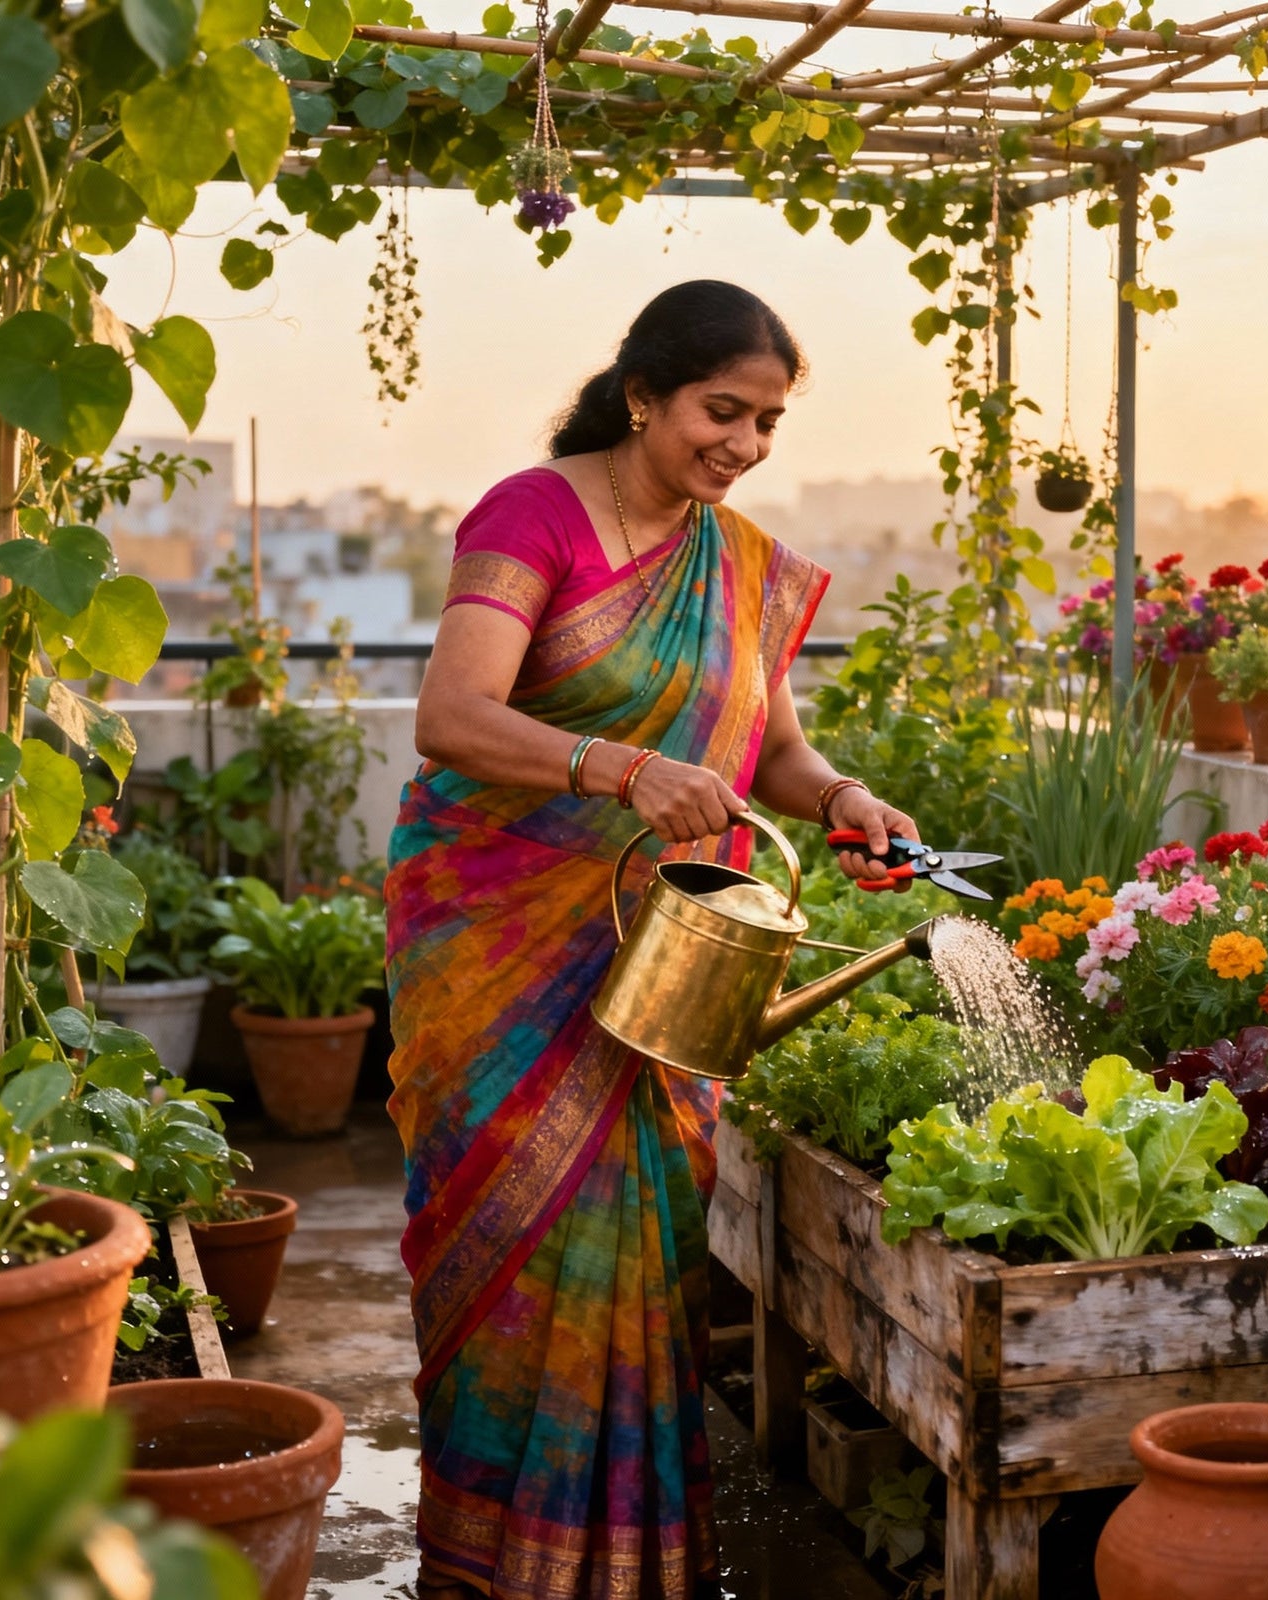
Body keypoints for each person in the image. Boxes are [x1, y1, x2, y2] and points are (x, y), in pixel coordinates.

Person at [385, 280, 920, 1600]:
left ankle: (618, 1561)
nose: (742, 446)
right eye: (720, 412)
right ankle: (496, 1566)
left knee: (643, 1251)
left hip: (666, 960)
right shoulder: (536, 513)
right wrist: (615, 768)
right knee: (515, 1249)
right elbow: (454, 714)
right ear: (644, 395)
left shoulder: (737, 564)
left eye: (768, 424)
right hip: (500, 953)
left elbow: (775, 748)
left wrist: (845, 800)